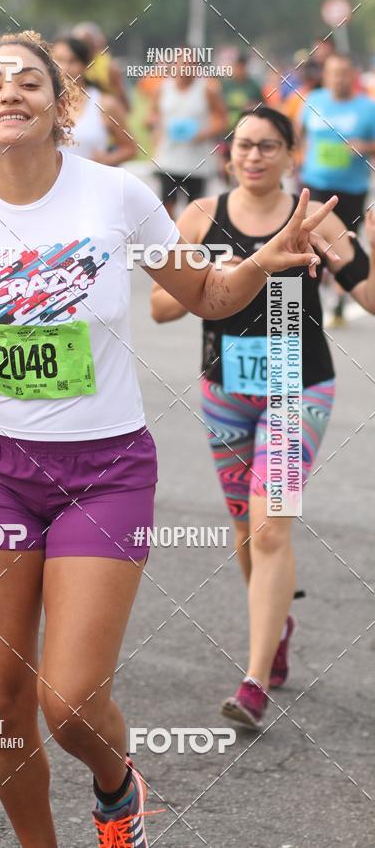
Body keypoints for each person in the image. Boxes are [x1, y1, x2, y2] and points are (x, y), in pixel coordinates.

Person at [0, 30, 336, 847]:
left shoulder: (117, 195)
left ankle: (117, 788)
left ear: (61, 107)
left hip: (105, 472)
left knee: (69, 701)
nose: (6, 94)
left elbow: (204, 290)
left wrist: (265, 261)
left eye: (27, 81)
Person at [151, 107, 375, 729]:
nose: (253, 156)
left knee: (271, 526)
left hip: (296, 386)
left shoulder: (315, 219)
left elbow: (369, 296)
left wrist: (357, 249)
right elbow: (163, 308)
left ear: (290, 153)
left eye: (267, 146)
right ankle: (274, 626)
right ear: (227, 154)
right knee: (246, 527)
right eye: (243, 146)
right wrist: (224, 272)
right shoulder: (201, 218)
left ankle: (252, 683)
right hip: (225, 389)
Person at [300, 53, 375, 325]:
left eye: (344, 73)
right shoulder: (313, 101)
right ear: (326, 75)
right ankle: (310, 296)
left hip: (350, 189)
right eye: (333, 73)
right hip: (314, 184)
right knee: (309, 241)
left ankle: (341, 298)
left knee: (344, 243)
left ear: (352, 75)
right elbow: (300, 136)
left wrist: (364, 147)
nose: (338, 79)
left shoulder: (367, 107)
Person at [149, 53, 228, 217]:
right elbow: (152, 115)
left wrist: (203, 134)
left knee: (195, 207)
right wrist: (156, 126)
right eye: (181, 64)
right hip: (168, 159)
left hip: (197, 162)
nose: (185, 68)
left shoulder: (206, 90)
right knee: (167, 204)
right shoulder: (162, 89)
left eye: (190, 64)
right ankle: (170, 239)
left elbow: (223, 120)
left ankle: (190, 239)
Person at [51, 36, 135, 164]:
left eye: (73, 61)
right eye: (59, 60)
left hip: (91, 181)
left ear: (86, 66)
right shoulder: (42, 102)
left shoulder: (105, 103)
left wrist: (105, 160)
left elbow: (130, 148)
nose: (65, 68)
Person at [72, 21, 129, 110]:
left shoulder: (109, 67)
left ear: (96, 43)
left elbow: (122, 99)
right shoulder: (70, 65)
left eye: (87, 43)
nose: (83, 48)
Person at [221, 51, 264, 132]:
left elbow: (262, 106)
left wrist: (252, 107)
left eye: (242, 66)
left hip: (247, 129)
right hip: (227, 131)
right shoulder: (225, 86)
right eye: (237, 66)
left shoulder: (254, 86)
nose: (239, 69)